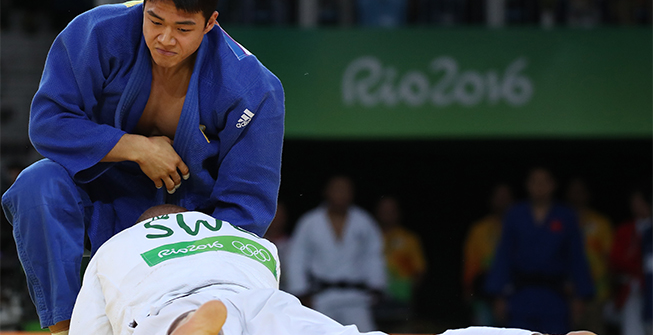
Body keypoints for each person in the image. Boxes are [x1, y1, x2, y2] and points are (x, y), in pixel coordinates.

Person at [1, 0, 284, 333]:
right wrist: (137, 147)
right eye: (155, 20)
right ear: (144, 5)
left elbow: (246, 210)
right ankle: (64, 327)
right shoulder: (97, 34)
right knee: (36, 185)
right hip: (99, 204)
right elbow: (49, 122)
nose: (165, 38)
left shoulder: (253, 89)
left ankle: (191, 322)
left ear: (210, 23)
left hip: (186, 225)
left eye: (184, 28)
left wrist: (189, 239)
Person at [69, 204, 598, 335]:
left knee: (173, 319)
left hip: (179, 304)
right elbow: (267, 282)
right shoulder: (240, 238)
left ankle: (196, 326)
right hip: (270, 306)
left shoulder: (121, 245)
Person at [485, 167, 594, 334]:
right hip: (521, 295)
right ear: (527, 185)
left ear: (553, 185)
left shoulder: (566, 216)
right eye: (535, 182)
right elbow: (503, 256)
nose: (539, 187)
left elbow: (576, 257)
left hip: (554, 296)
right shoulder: (515, 214)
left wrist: (580, 296)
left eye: (544, 182)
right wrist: (498, 294)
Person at [285, 175, 386, 332]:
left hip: (356, 297)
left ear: (352, 194)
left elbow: (373, 255)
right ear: (326, 192)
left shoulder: (364, 221)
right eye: (337, 189)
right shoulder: (310, 222)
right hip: (321, 296)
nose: (341, 194)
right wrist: (300, 291)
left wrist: (376, 285)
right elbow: (297, 257)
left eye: (345, 190)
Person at [564, 177, 613, 334]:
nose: (576, 195)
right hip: (565, 293)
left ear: (588, 194)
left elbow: (609, 259)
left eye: (580, 192)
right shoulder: (560, 221)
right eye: (573, 192)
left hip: (597, 293)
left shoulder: (600, 223)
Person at [462, 183, 514, 325]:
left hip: (514, 293)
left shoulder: (520, 227)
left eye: (506, 197)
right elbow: (470, 264)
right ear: (491, 199)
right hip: (483, 292)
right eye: (499, 197)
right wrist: (469, 291)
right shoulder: (479, 229)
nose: (502, 201)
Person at [374, 195, 427, 332]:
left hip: (400, 298)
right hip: (374, 299)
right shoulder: (368, 236)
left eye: (391, 211)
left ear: (398, 213)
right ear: (377, 212)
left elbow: (419, 270)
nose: (387, 214)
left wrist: (406, 292)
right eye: (384, 210)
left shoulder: (409, 238)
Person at [608, 187, 652, 335]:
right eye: (634, 201)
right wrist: (639, 271)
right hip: (632, 291)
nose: (636, 205)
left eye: (640, 201)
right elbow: (615, 260)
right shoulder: (626, 230)